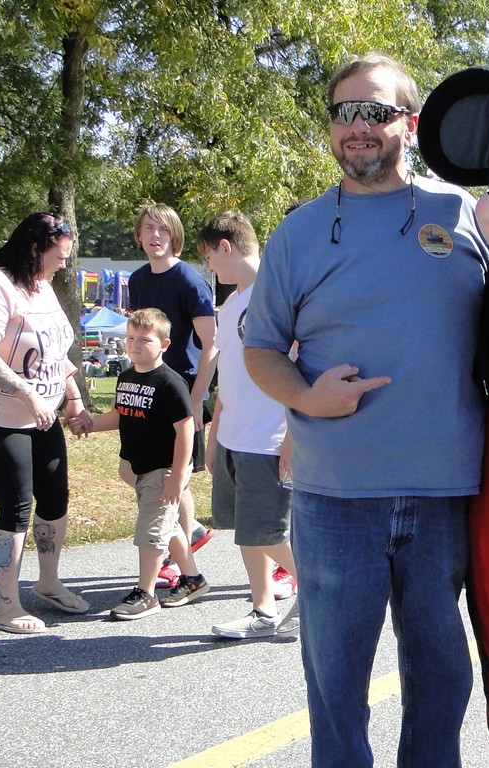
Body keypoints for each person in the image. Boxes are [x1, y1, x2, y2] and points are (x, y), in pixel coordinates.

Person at [242, 52, 489, 767]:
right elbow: (260, 348)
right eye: (344, 111)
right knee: (336, 685)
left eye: (376, 111)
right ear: (330, 129)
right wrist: (304, 396)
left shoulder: (466, 216)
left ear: (409, 125)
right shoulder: (297, 232)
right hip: (335, 497)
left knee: (442, 680)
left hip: (446, 493)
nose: (358, 126)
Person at [0, 212, 90, 634]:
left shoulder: (41, 285)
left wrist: (73, 396)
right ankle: (6, 605)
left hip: (42, 413)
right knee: (16, 505)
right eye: (59, 256)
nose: (63, 264)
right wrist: (27, 394)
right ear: (34, 247)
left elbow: (53, 352)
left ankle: (47, 583)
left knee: (55, 496)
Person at [197, 211, 299, 639]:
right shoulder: (230, 304)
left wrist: (293, 437)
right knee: (244, 530)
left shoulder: (276, 294)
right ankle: (262, 610)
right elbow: (230, 376)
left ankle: (317, 589)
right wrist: (214, 433)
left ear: (227, 246)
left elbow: (299, 369)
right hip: (233, 437)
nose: (209, 268)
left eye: (209, 257)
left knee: (266, 530)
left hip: (268, 437)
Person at [70, 308, 210, 620]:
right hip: (140, 467)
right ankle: (192, 579)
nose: (134, 345)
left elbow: (186, 430)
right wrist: (89, 423)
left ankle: (146, 593)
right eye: (130, 338)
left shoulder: (170, 383)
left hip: (165, 468)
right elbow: (120, 416)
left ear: (164, 344)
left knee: (151, 531)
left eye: (144, 340)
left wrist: (177, 476)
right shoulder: (127, 376)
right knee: (166, 523)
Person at [126, 202, 217, 587]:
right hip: (148, 391)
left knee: (171, 477)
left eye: (162, 229)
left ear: (174, 235)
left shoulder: (189, 282)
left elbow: (212, 345)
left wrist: (196, 400)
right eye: (148, 228)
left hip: (181, 393)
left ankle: (173, 554)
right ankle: (190, 531)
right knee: (141, 473)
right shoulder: (137, 280)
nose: (155, 236)